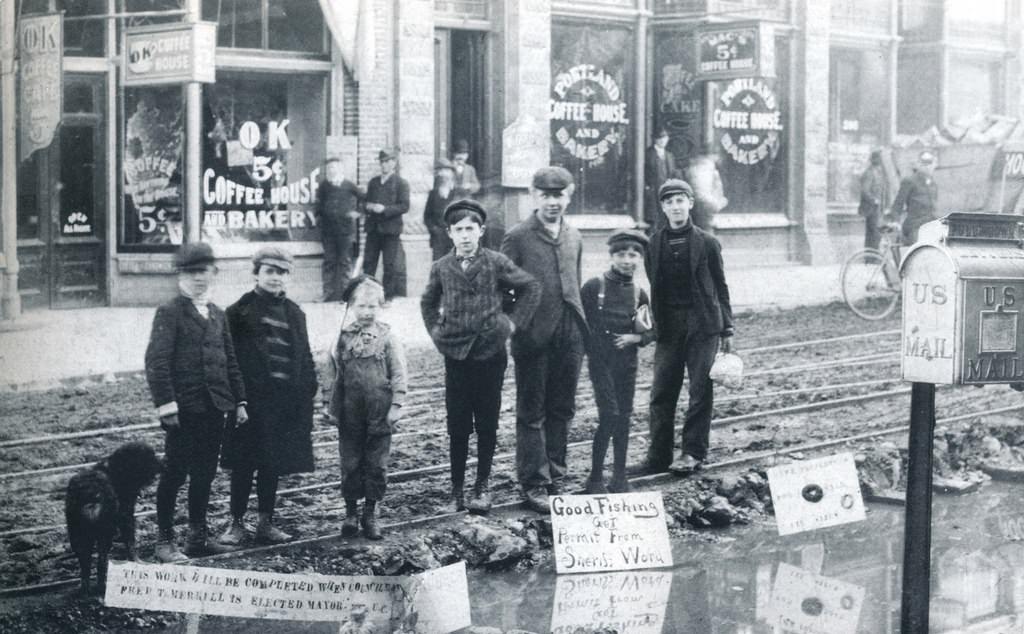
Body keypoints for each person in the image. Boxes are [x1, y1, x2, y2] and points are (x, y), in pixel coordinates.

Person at [421, 199, 541, 514]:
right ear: (449, 233)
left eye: (470, 229)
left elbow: (530, 287)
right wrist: (437, 333)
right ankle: (457, 490)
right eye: (458, 229)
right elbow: (428, 302)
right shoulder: (441, 267)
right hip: (456, 354)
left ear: (481, 230)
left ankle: (482, 486)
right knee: (458, 424)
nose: (465, 235)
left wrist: (511, 323)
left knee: (487, 422)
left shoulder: (496, 262)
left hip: (490, 353)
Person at [144, 242, 247, 561]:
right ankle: (164, 542)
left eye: (204, 271)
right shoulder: (170, 311)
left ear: (213, 273)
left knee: (205, 472)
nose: (198, 279)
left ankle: (197, 537)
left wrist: (239, 400)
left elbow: (230, 358)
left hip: (215, 408)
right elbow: (157, 362)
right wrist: (167, 405)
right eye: (191, 272)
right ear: (180, 276)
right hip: (183, 410)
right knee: (175, 473)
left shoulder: (217, 314)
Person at [501, 166, 588, 513]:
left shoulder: (575, 235)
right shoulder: (518, 236)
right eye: (546, 195)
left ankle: (556, 473)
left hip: (570, 334)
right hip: (533, 336)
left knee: (562, 408)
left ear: (569, 196)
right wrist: (519, 325)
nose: (553, 202)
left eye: (559, 195)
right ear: (534, 196)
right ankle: (534, 482)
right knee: (532, 411)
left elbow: (575, 284)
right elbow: (502, 289)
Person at [218, 247, 318, 547]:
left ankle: (265, 522)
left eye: (282, 272)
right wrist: (238, 401)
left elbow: (305, 357)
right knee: (243, 464)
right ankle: (235, 523)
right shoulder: (237, 312)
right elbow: (229, 360)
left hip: (284, 404)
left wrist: (307, 393)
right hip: (250, 405)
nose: (276, 278)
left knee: (272, 463)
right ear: (257, 274)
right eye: (270, 271)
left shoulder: (295, 313)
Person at [646, 179, 734, 476]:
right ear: (662, 207)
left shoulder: (707, 242)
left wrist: (727, 329)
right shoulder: (655, 243)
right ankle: (658, 455)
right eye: (669, 202)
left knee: (700, 391)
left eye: (680, 200)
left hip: (703, 325)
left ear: (691, 203)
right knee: (661, 391)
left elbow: (721, 286)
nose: (675, 207)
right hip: (669, 326)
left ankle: (693, 452)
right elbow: (654, 285)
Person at [326, 275, 407, 540]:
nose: (366, 311)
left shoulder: (388, 337)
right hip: (350, 413)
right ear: (350, 306)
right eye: (360, 306)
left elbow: (399, 373)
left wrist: (396, 405)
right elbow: (334, 375)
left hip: (380, 412)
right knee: (350, 463)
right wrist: (331, 408)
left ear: (380, 307)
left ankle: (370, 514)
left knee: (376, 464)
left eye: (372, 306)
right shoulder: (342, 337)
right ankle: (350, 512)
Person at [580, 229, 655, 494]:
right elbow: (580, 324)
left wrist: (634, 339)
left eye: (633, 255)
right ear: (611, 256)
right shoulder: (594, 287)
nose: (627, 260)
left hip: (628, 364)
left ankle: (620, 477)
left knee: (623, 418)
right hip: (601, 363)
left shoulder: (638, 293)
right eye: (621, 254)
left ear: (640, 259)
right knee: (609, 415)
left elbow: (649, 330)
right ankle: (595, 479)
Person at [363, 148, 411, 303]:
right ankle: (368, 295)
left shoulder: (401, 183)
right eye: (382, 162)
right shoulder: (373, 182)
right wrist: (368, 206)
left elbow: (404, 206)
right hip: (373, 229)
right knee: (369, 262)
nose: (384, 165)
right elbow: (365, 202)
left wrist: (385, 209)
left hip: (391, 230)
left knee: (389, 265)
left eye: (387, 162)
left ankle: (387, 296)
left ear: (394, 163)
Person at [316, 157, 364, 301]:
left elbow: (363, 198)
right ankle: (327, 293)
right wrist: (319, 217)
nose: (331, 171)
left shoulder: (349, 185)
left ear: (340, 169)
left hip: (345, 232)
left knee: (345, 262)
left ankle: (346, 294)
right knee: (329, 262)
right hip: (328, 232)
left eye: (334, 168)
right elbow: (318, 205)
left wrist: (358, 213)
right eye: (329, 168)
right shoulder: (324, 186)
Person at [890, 150, 938, 246]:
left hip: (930, 225)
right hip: (915, 226)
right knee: (917, 253)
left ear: (934, 164)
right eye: (924, 163)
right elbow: (898, 204)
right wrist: (895, 221)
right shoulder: (910, 181)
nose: (927, 166)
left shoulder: (933, 184)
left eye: (930, 162)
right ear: (919, 164)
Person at [643, 128, 681, 233]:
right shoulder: (648, 154)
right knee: (653, 218)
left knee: (665, 217)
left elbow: (672, 173)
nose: (662, 141)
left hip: (665, 191)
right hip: (652, 190)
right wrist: (646, 186)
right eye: (659, 138)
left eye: (664, 138)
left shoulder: (669, 156)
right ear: (655, 140)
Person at [686, 148, 728, 233]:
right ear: (713, 156)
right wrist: (720, 203)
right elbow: (718, 190)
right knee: (707, 231)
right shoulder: (711, 170)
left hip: (694, 204)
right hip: (707, 204)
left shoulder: (692, 168)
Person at [423, 159, 458, 261]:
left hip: (455, 237)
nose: (444, 176)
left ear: (452, 174)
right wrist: (434, 229)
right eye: (441, 172)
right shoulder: (433, 194)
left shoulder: (458, 193)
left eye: (447, 171)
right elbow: (427, 216)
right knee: (438, 265)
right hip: (438, 237)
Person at [858, 150, 888, 250]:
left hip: (877, 209)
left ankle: (873, 257)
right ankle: (872, 258)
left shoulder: (878, 172)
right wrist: (875, 200)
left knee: (875, 234)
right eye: (880, 159)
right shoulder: (869, 173)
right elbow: (865, 191)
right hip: (871, 209)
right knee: (873, 234)